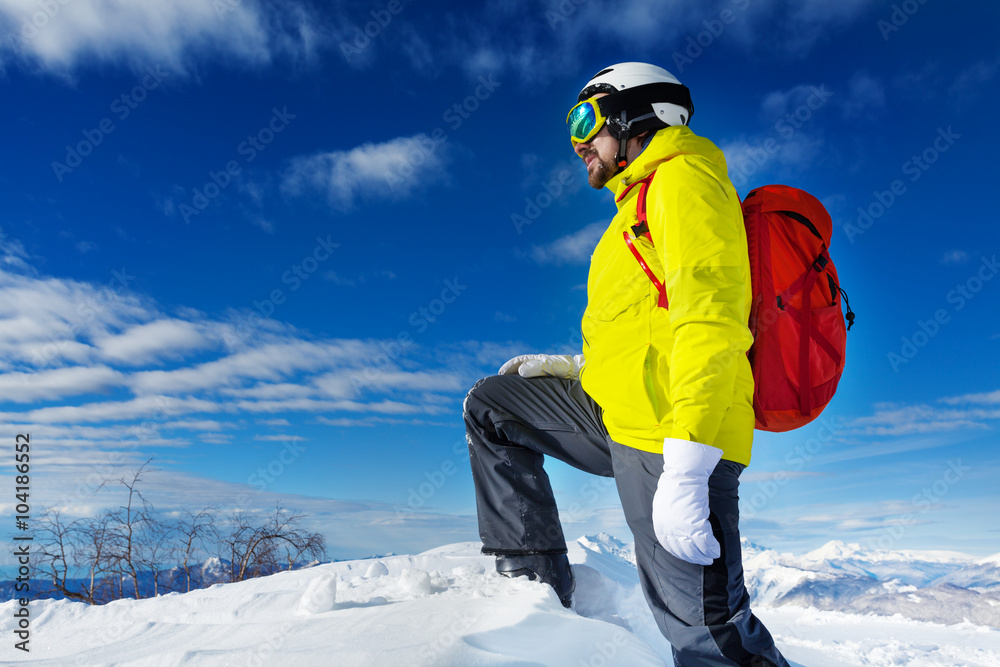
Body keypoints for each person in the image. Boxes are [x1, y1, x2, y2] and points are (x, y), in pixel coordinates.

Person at [463, 62, 790, 666]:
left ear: (636, 114)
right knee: (493, 406)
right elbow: (644, 329)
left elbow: (711, 316)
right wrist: (570, 367)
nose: (577, 143)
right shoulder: (630, 209)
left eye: (584, 119)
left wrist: (688, 465)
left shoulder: (684, 179)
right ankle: (534, 591)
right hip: (617, 413)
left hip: (671, 435)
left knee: (708, 634)